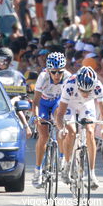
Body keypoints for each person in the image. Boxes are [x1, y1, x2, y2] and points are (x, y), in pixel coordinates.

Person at [56, 66, 103, 190]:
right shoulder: (69, 85)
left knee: (90, 131)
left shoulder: (97, 86)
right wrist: (61, 129)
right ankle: (67, 165)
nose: (85, 94)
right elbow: (60, 114)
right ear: (77, 85)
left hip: (86, 105)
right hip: (70, 104)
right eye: (82, 90)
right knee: (72, 132)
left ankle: (92, 174)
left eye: (88, 91)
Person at [31, 52, 71, 188]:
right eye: (53, 72)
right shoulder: (42, 77)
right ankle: (37, 169)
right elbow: (35, 102)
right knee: (43, 135)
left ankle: (60, 157)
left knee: (61, 125)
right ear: (48, 70)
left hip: (56, 103)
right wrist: (36, 117)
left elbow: (68, 101)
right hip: (42, 104)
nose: (57, 75)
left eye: (60, 72)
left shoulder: (67, 77)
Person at [0, 47, 32, 138]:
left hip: (11, 103)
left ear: (9, 61)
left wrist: (15, 99)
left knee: (16, 107)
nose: (1, 62)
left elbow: (21, 93)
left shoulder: (17, 75)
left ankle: (26, 127)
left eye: (5, 60)